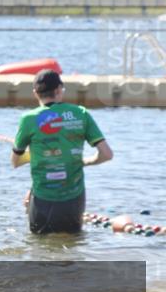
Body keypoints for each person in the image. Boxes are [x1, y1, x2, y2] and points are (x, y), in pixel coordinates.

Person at [11, 69, 113, 234]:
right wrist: (86, 161)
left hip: (42, 197)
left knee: (38, 244)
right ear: (59, 90)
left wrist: (34, 153)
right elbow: (107, 154)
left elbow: (15, 162)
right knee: (72, 242)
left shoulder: (28, 119)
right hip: (74, 197)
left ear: (35, 93)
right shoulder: (81, 113)